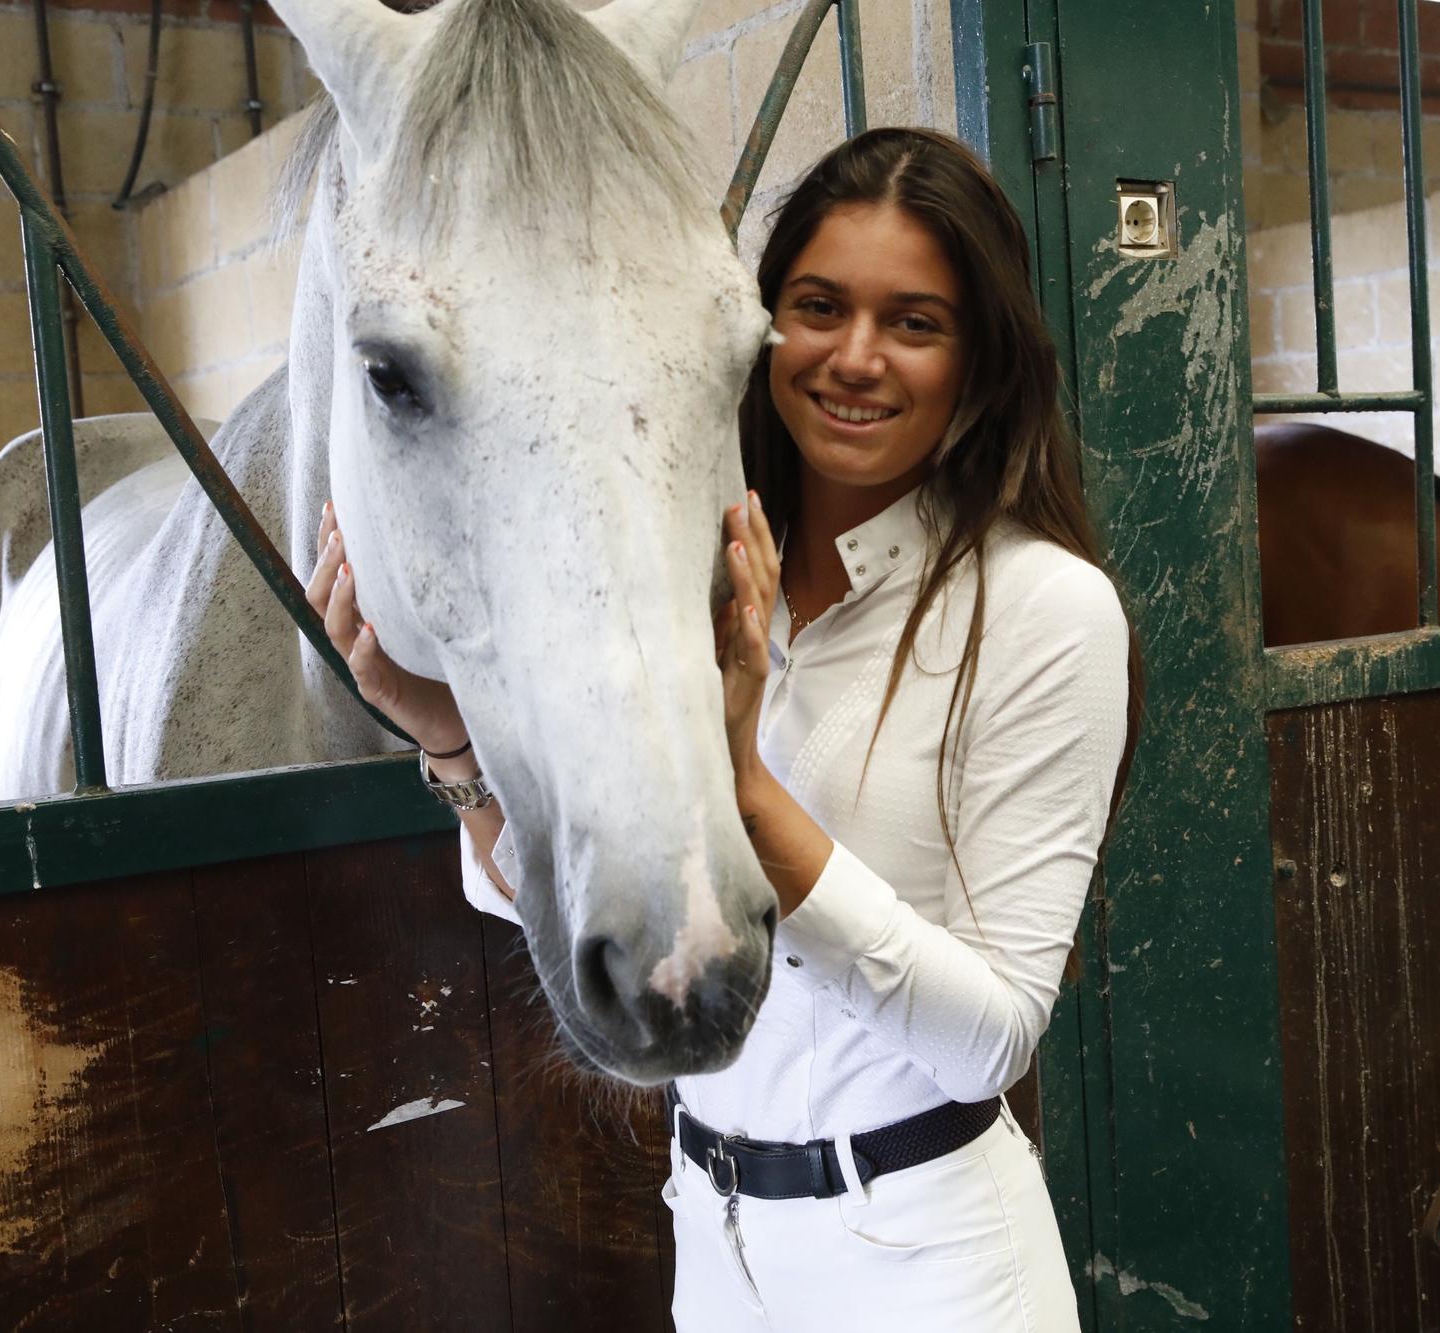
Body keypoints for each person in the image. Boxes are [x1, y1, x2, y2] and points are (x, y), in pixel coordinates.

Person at [306, 127, 1142, 1333]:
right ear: (757, 333)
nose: (855, 358)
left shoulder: (1045, 609)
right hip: (716, 1235)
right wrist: (447, 740)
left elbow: (989, 1041)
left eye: (914, 322)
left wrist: (740, 784)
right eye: (818, 306)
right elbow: (534, 894)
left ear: (979, 359)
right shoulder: (685, 576)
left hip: (928, 1260)